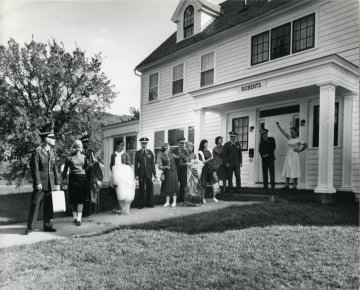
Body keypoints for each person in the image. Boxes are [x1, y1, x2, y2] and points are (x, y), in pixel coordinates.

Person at [25, 125, 60, 234]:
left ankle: (48, 225)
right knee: (35, 204)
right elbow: (34, 169)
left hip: (51, 182)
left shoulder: (52, 152)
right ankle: (30, 227)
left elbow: (55, 169)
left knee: (49, 205)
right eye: (52, 138)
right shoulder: (37, 152)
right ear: (46, 139)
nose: (54, 140)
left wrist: (57, 182)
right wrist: (38, 182)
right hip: (41, 183)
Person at [62, 140, 88, 226]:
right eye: (76, 146)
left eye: (80, 146)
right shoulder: (69, 158)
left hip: (82, 179)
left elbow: (87, 168)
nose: (78, 148)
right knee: (72, 199)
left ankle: (79, 219)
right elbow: (65, 171)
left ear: (82, 148)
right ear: (73, 147)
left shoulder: (85, 157)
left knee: (81, 199)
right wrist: (63, 180)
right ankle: (74, 217)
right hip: (73, 179)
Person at [276, 122, 308, 189]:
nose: (291, 133)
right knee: (287, 168)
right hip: (289, 155)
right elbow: (283, 132)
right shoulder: (289, 137)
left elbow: (306, 145)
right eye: (291, 132)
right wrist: (278, 126)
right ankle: (287, 184)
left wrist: (299, 150)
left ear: (296, 132)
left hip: (295, 155)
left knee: (294, 169)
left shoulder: (299, 139)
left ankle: (294, 185)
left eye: (292, 132)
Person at [110, 140, 135, 215]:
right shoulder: (113, 155)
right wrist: (114, 172)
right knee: (117, 191)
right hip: (116, 176)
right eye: (120, 145)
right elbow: (111, 165)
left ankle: (125, 208)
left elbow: (129, 164)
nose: (122, 147)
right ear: (117, 145)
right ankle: (118, 207)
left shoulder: (125, 154)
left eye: (122, 145)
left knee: (125, 191)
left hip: (124, 176)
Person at [134, 137, 157, 209]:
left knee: (149, 189)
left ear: (147, 144)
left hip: (149, 173)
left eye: (145, 143)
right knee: (141, 189)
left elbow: (152, 164)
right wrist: (136, 174)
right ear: (141, 144)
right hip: (141, 173)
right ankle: (141, 204)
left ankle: (149, 203)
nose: (144, 145)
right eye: (143, 143)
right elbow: (135, 164)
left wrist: (155, 173)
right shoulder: (138, 153)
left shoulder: (150, 152)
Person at [180, 142, 203, 206]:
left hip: (193, 173)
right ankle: (186, 202)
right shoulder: (182, 154)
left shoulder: (193, 155)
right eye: (191, 147)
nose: (192, 148)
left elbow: (196, 163)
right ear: (187, 147)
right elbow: (180, 164)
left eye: (192, 147)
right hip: (185, 173)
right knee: (186, 187)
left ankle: (193, 201)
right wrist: (187, 164)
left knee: (192, 188)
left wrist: (196, 162)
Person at [198, 139, 219, 204]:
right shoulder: (200, 152)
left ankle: (214, 197)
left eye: (207, 143)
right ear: (202, 144)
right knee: (204, 184)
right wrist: (209, 159)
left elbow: (213, 158)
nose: (207, 144)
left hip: (212, 168)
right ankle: (203, 198)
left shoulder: (209, 150)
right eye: (205, 143)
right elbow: (202, 162)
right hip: (205, 168)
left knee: (214, 182)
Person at [158, 143, 179, 207]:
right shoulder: (161, 156)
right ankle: (167, 202)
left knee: (174, 188)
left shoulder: (172, 154)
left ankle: (174, 202)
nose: (170, 148)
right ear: (166, 148)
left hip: (174, 172)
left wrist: (181, 152)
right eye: (169, 147)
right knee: (167, 188)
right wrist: (165, 167)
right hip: (167, 173)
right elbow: (159, 166)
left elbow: (179, 157)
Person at [171, 138, 187, 202]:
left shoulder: (185, 151)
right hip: (176, 169)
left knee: (183, 184)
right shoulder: (174, 150)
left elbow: (186, 158)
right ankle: (175, 198)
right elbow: (172, 158)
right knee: (176, 184)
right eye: (181, 143)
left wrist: (177, 156)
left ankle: (182, 198)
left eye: (183, 143)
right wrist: (178, 156)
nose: (182, 144)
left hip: (183, 169)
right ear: (178, 143)